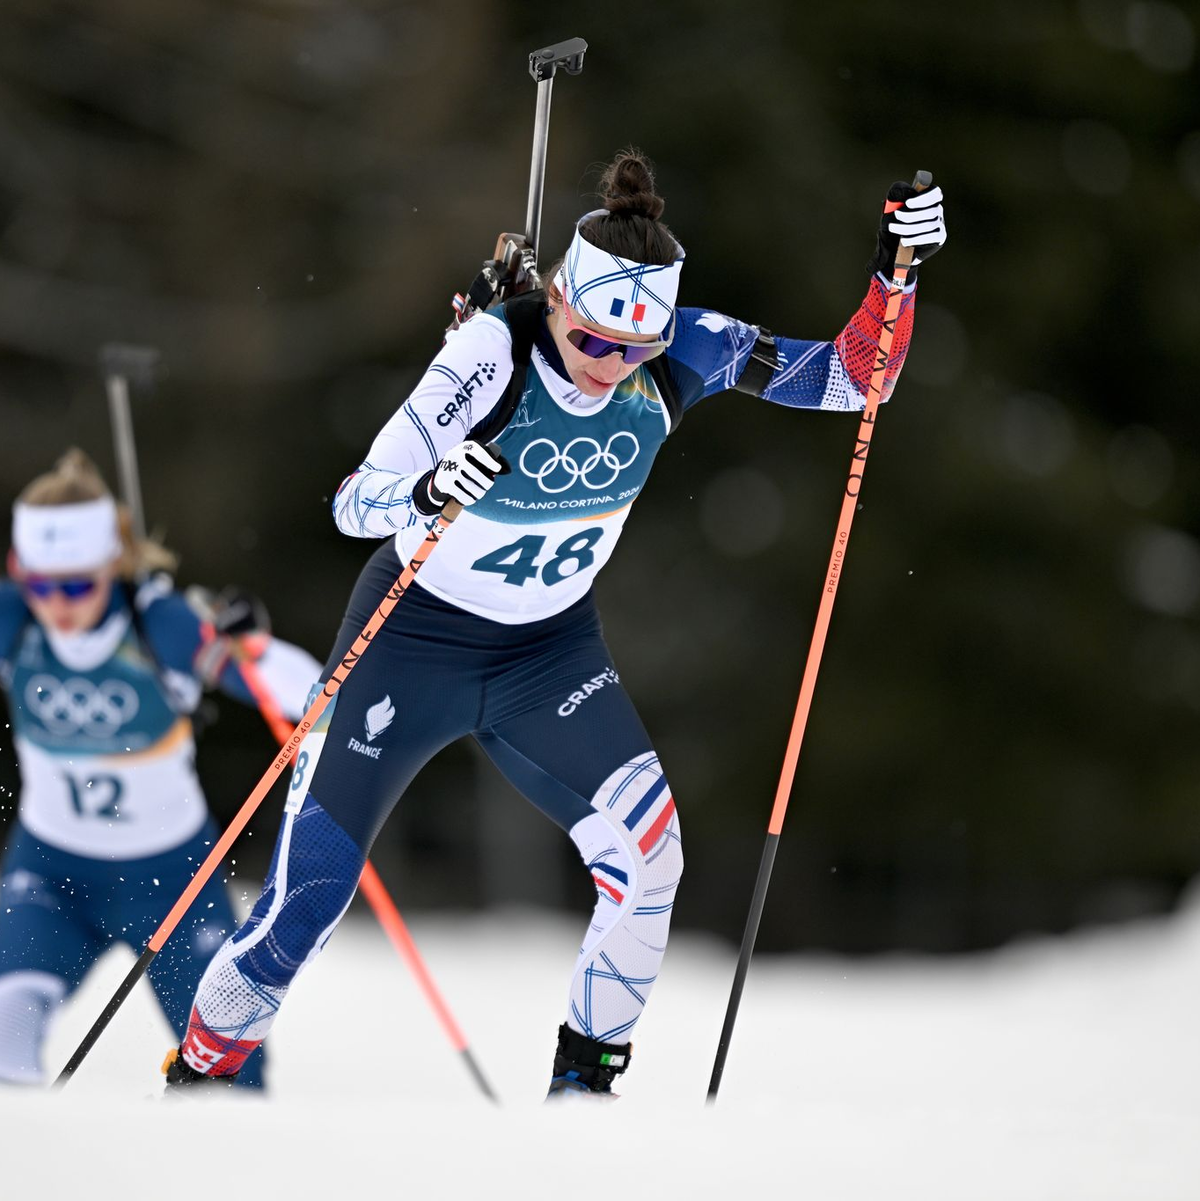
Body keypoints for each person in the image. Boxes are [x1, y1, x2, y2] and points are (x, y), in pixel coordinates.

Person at [166, 149, 947, 1098]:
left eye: (634, 352)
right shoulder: (488, 355)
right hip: (412, 638)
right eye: (589, 342)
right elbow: (352, 502)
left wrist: (892, 278)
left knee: (651, 856)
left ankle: (585, 1089)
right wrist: (427, 484)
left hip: (547, 651)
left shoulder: (684, 349)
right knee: (313, 898)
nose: (607, 367)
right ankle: (203, 1070)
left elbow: (854, 380)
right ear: (561, 303)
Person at [0, 449, 321, 1089]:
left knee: (234, 1074)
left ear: (112, 565)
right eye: (40, 584)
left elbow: (314, 692)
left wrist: (250, 644)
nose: (57, 604)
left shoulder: (162, 625)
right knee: (6, 1035)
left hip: (172, 879)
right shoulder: (13, 622)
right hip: (51, 873)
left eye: (77, 585)